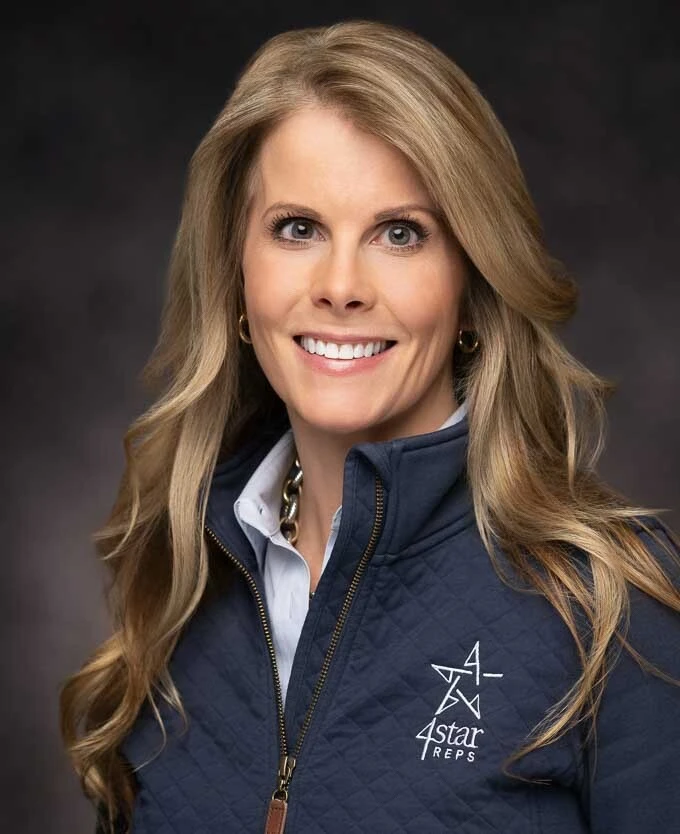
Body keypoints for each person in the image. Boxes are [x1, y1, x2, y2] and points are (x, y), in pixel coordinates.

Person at [60, 19, 680, 834]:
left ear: (471, 286)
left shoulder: (609, 606)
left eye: (400, 233)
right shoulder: (179, 575)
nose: (341, 285)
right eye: (298, 228)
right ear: (236, 276)